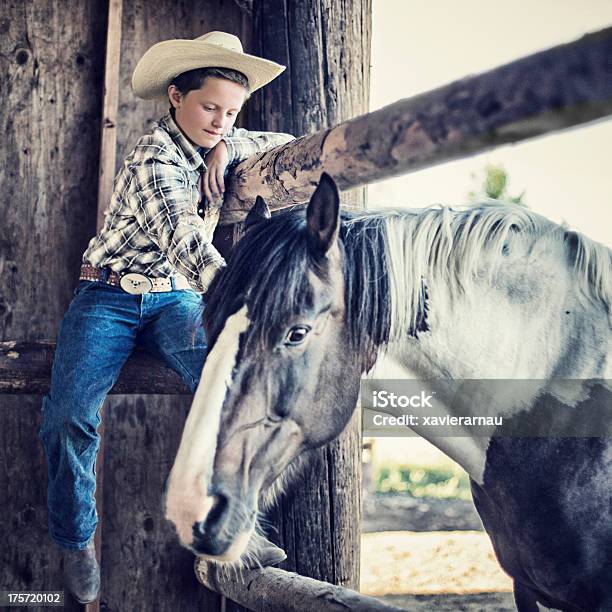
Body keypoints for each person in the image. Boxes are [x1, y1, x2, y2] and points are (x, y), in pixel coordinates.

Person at [39, 31, 294, 604]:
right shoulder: (154, 155)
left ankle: (237, 526)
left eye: (231, 112)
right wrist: (233, 294)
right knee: (69, 419)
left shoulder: (221, 138)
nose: (220, 121)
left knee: (231, 393)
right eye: (210, 108)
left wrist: (230, 148)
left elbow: (288, 142)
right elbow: (183, 237)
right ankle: (76, 538)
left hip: (174, 299)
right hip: (108, 296)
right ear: (175, 96)